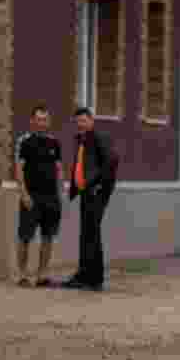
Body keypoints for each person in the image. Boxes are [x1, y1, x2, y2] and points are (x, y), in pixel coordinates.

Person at [62, 107, 118, 291]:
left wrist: (100, 186)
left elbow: (112, 160)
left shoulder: (99, 137)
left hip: (96, 193)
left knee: (92, 234)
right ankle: (83, 275)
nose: (81, 124)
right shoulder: (81, 140)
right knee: (86, 234)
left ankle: (95, 279)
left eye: (84, 121)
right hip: (85, 192)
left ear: (91, 121)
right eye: (78, 121)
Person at [14, 104, 64, 287]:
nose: (42, 123)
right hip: (31, 196)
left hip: (51, 197)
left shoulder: (54, 143)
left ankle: (42, 275)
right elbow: (18, 170)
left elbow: (59, 170)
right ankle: (22, 274)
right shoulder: (24, 142)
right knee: (25, 237)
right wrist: (24, 194)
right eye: (39, 119)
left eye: (45, 119)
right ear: (32, 121)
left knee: (48, 237)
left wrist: (60, 192)